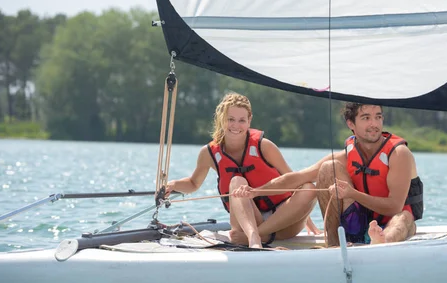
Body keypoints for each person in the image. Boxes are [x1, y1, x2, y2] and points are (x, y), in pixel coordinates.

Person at [233, 102, 423, 247]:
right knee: (327, 168)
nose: (374, 124)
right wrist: (256, 191)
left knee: (404, 219)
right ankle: (333, 244)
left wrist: (352, 194)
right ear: (351, 124)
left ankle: (380, 243)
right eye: (366, 118)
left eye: (378, 117)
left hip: (392, 221)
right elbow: (298, 177)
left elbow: (394, 206)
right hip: (358, 223)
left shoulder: (398, 154)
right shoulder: (347, 154)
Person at [165, 92, 319, 248]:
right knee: (236, 181)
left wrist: (306, 216)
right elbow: (193, 183)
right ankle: (253, 237)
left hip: (283, 223)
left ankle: (257, 236)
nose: (236, 126)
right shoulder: (208, 153)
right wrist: (173, 184)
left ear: (249, 120)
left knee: (309, 188)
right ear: (221, 119)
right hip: (246, 221)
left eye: (241, 120)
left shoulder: (264, 146)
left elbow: (293, 181)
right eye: (230, 119)